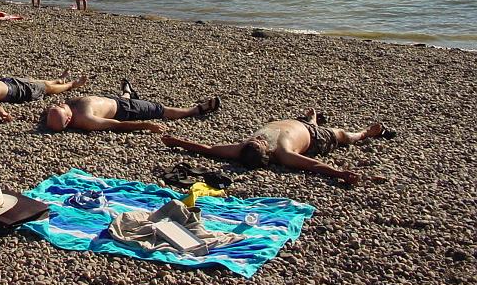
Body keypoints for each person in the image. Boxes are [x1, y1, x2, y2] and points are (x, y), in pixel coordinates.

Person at [161, 109, 396, 184]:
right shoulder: (283, 153)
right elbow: (313, 164)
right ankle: (367, 133)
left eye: (255, 140)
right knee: (343, 135)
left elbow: (208, 149)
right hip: (317, 137)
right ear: (266, 152)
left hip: (297, 124)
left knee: (304, 122)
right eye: (260, 142)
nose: (257, 139)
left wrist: (176, 142)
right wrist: (338, 173)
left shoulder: (241, 149)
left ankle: (310, 119)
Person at [46, 79, 220, 133]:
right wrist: (146, 125)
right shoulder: (86, 120)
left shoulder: (59, 113)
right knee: (161, 110)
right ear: (68, 119)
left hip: (110, 100)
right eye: (60, 108)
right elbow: (117, 125)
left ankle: (127, 92)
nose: (59, 104)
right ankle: (198, 109)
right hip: (126, 110)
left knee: (125, 98)